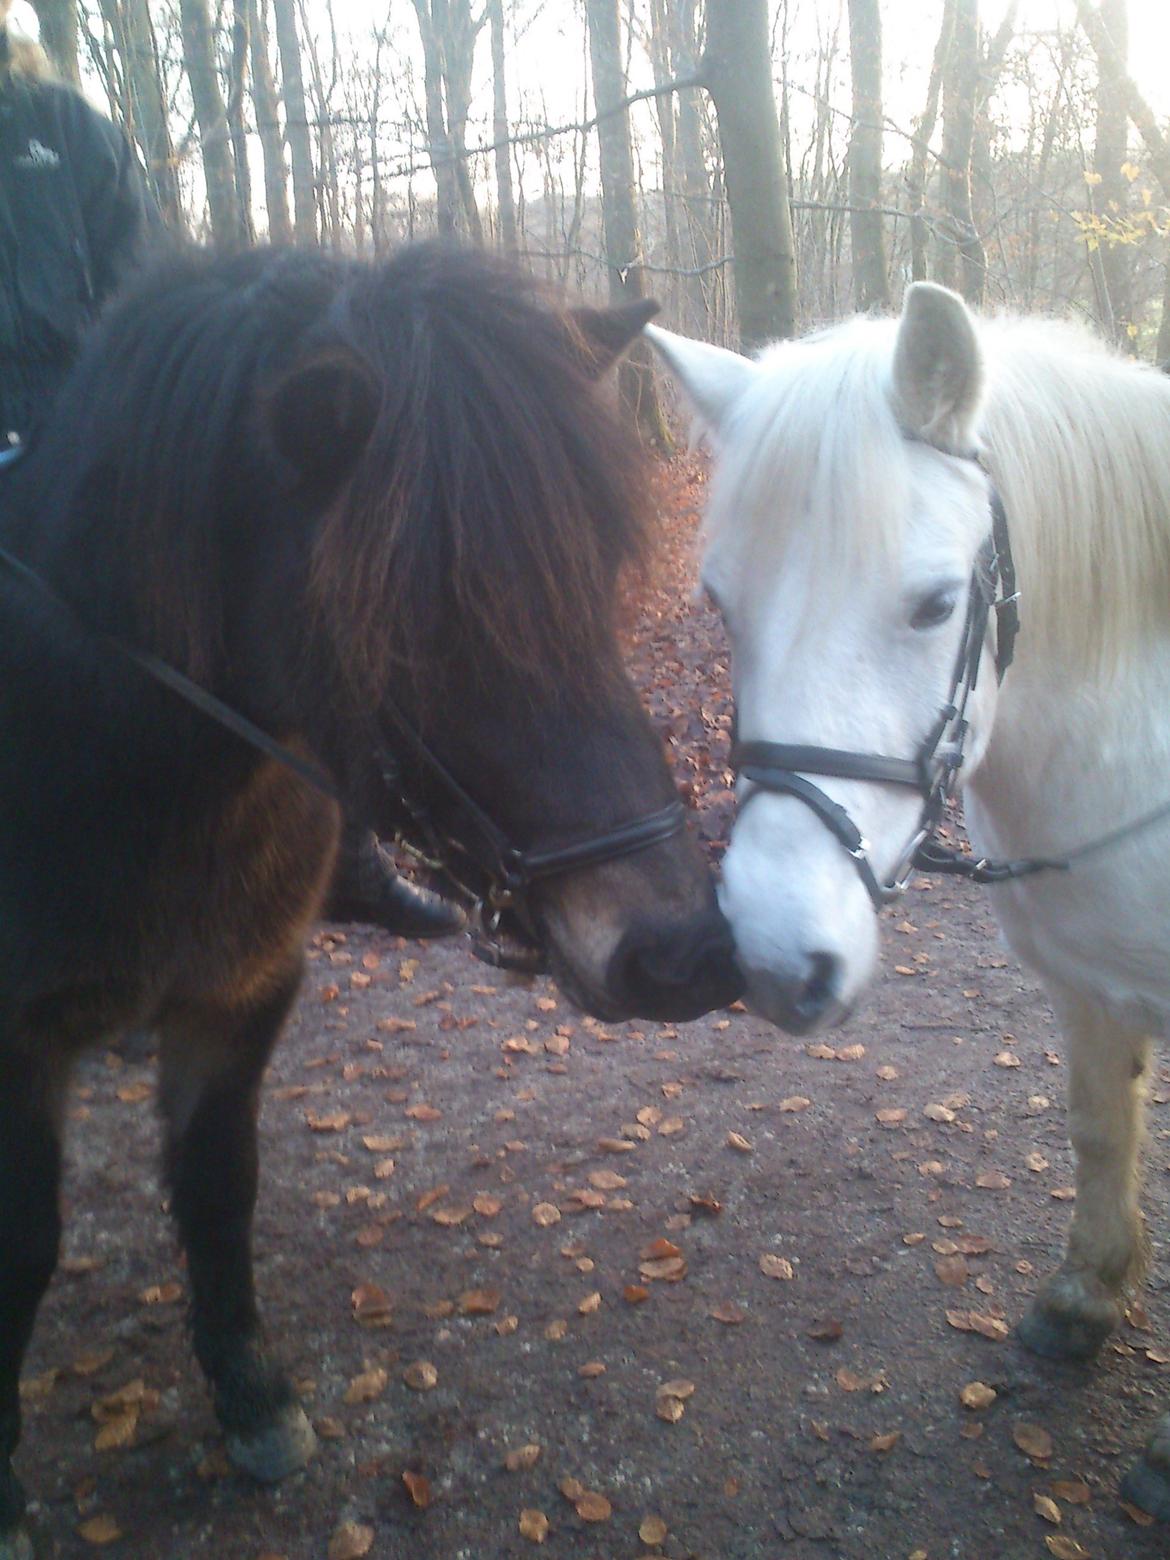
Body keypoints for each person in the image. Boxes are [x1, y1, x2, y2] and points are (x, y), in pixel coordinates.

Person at [1, 0, 461, 938]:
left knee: (290, 581)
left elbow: (142, 296)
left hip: (85, 454)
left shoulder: (63, 132)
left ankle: (347, 853)